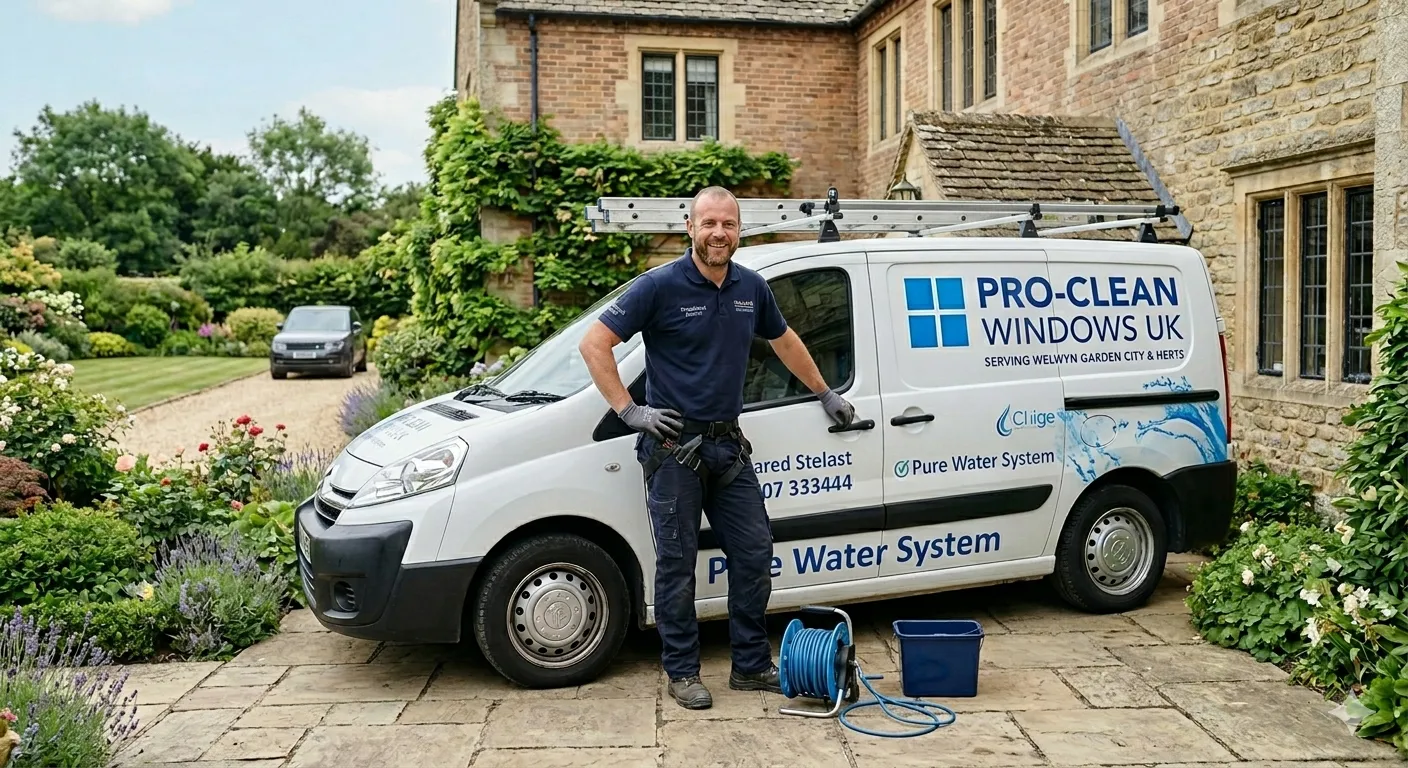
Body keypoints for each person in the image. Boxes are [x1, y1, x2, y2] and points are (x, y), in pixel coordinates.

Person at [578, 185, 857, 709]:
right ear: (690, 228)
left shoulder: (751, 287)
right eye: (708, 224)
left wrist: (824, 392)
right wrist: (629, 412)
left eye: (728, 224)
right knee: (677, 565)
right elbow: (594, 344)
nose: (718, 234)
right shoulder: (658, 286)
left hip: (728, 449)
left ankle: (750, 666)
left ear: (738, 229)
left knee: (754, 554)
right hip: (672, 452)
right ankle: (682, 671)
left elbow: (785, 340)